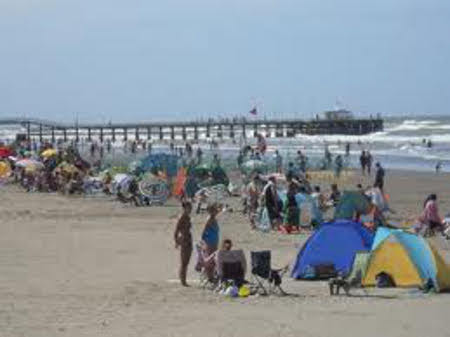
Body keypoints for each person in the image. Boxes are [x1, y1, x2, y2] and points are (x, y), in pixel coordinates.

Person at [174, 201, 193, 286]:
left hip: (188, 239)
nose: (190, 209)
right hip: (184, 240)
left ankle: (183, 280)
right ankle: (183, 281)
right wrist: (176, 241)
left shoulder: (187, 217)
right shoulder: (182, 217)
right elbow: (176, 230)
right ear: (184, 208)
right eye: (189, 207)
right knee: (184, 262)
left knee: (186, 261)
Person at [201, 203, 221, 279]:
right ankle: (209, 276)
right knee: (210, 258)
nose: (216, 212)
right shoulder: (209, 218)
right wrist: (203, 239)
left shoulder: (214, 218)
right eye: (214, 210)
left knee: (214, 258)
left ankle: (211, 275)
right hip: (209, 241)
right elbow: (204, 229)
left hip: (214, 241)